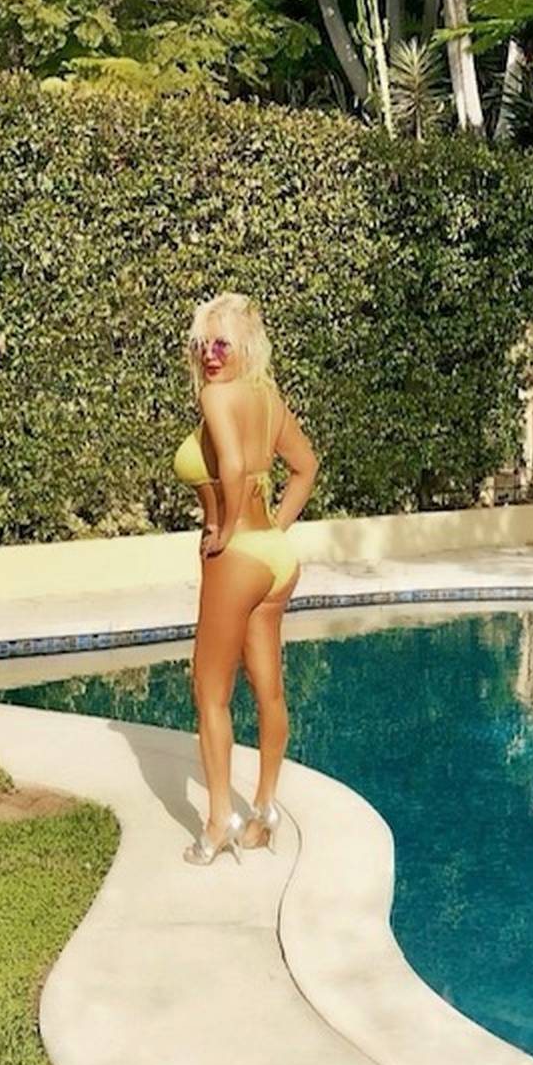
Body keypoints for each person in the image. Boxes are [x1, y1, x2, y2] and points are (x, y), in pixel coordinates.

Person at [173, 293, 319, 865]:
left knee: (209, 692)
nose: (210, 355)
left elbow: (232, 466)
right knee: (269, 690)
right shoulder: (268, 397)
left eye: (222, 344)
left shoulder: (216, 396)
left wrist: (227, 528)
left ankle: (218, 823)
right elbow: (305, 467)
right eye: (202, 344)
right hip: (276, 559)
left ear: (244, 347)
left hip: (236, 557)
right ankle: (264, 809)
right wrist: (274, 529)